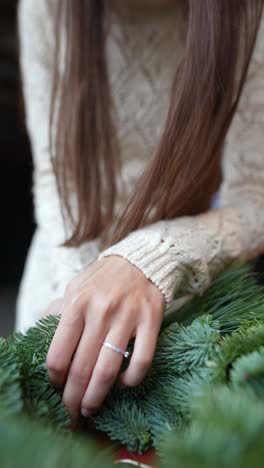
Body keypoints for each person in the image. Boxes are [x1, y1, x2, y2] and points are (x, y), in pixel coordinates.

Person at [17, 0, 264, 426]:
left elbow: (255, 196)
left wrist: (152, 258)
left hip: (186, 300)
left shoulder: (248, 12)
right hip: (60, 272)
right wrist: (77, 298)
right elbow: (55, 176)